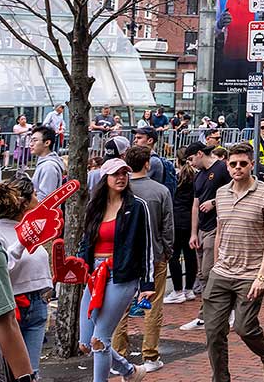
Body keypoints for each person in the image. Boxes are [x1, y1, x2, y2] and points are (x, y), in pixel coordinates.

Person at [201, 142, 264, 382]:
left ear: (251, 164)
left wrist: (262, 275)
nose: (238, 168)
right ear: (227, 165)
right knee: (213, 332)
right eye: (233, 164)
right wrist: (215, 265)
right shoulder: (221, 193)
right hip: (222, 272)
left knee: (244, 327)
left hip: (250, 274)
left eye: (243, 164)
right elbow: (221, 229)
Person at [77, 158, 156, 382]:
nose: (121, 178)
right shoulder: (95, 206)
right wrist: (80, 267)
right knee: (85, 343)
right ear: (105, 178)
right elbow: (86, 242)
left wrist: (147, 284)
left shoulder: (136, 206)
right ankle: (130, 371)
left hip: (121, 276)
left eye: (124, 173)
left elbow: (147, 245)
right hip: (95, 275)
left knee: (99, 340)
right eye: (115, 174)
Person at [112, 146, 174, 373]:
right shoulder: (160, 191)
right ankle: (150, 354)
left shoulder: (119, 190)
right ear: (147, 163)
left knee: (120, 307)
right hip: (155, 254)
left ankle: (118, 355)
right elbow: (168, 225)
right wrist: (167, 250)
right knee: (153, 305)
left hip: (125, 257)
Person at [0, 177, 51, 377]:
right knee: (9, 372)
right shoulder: (0, 232)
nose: (38, 199)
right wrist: (20, 244)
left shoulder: (31, 228)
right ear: (24, 202)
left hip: (37, 305)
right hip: (12, 308)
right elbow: (3, 271)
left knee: (32, 372)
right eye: (35, 195)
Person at [187, 140, 232, 312]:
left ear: (200, 153)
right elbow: (195, 204)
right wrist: (193, 232)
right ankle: (209, 311)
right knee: (202, 273)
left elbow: (233, 191)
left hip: (216, 225)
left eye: (191, 159)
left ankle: (209, 312)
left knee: (208, 271)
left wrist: (214, 202)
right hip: (202, 228)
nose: (191, 164)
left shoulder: (221, 168)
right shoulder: (199, 175)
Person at [165, 151, 198, 305]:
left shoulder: (176, 178)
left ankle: (178, 290)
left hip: (177, 219)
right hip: (191, 220)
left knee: (174, 255)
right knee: (190, 255)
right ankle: (189, 289)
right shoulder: (196, 178)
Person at [28, 126, 66, 201]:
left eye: (35, 140)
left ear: (47, 143)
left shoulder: (48, 166)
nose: (31, 144)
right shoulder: (44, 164)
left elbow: (45, 199)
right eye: (31, 140)